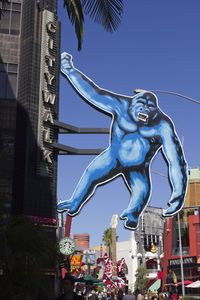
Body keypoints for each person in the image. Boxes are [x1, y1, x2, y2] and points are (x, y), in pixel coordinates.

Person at [57, 52, 188, 230]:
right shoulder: (122, 105)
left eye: (150, 107)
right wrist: (69, 70)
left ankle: (132, 214)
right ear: (132, 103)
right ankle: (74, 202)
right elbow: (93, 93)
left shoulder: (162, 125)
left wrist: (178, 194)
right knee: (90, 175)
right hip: (113, 156)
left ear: (155, 111)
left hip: (138, 167)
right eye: (141, 104)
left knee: (141, 191)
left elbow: (176, 161)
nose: (145, 109)